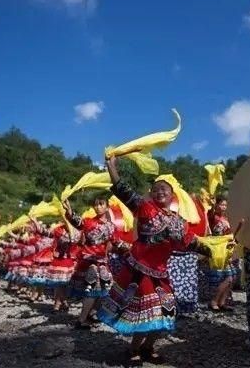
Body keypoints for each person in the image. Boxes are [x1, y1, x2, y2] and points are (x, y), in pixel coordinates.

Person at [97, 155, 212, 365]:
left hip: (160, 272)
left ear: (172, 195)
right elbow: (122, 189)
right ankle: (133, 349)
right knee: (144, 311)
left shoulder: (179, 221)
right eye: (156, 189)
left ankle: (148, 347)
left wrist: (217, 251)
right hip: (139, 270)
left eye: (164, 190)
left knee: (167, 311)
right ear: (151, 193)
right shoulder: (144, 207)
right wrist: (112, 167)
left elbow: (191, 242)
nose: (160, 192)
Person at [64, 197, 117, 329]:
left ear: (107, 207)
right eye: (96, 204)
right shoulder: (88, 222)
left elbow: (115, 242)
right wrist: (70, 212)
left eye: (101, 204)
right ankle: (81, 320)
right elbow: (77, 222)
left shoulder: (111, 227)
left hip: (102, 262)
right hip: (90, 262)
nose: (98, 207)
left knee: (104, 291)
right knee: (93, 291)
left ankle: (90, 314)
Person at [205, 195, 239, 312]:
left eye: (225, 205)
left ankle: (222, 301)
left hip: (227, 249)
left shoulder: (226, 218)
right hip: (218, 249)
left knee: (233, 276)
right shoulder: (213, 217)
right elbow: (210, 213)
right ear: (217, 205)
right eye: (221, 204)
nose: (224, 207)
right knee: (227, 277)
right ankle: (214, 301)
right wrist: (212, 205)